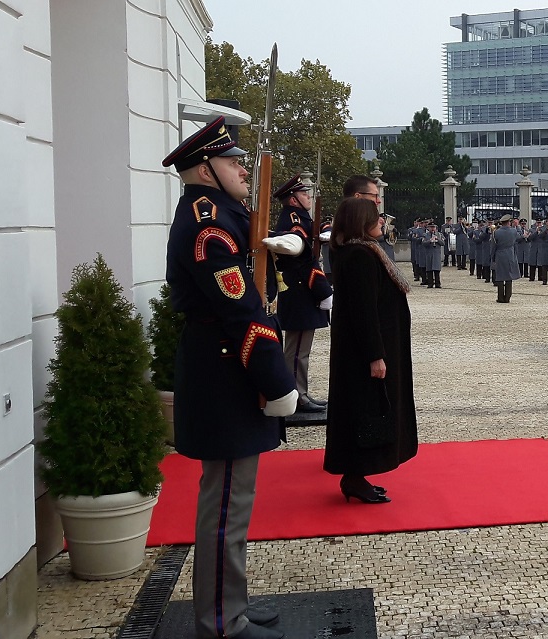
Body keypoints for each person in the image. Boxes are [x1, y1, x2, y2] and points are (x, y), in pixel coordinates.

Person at [163, 116, 293, 639]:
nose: (242, 168)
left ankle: (229, 601)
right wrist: (277, 378)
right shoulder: (208, 223)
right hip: (225, 370)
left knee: (234, 502)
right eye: (232, 161)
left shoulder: (222, 214)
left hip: (224, 366)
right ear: (205, 168)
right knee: (225, 505)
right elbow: (240, 309)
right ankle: (220, 621)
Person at [324, 197, 418, 503]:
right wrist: (375, 355)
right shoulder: (359, 256)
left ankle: (358, 476)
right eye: (375, 217)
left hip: (373, 347)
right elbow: (364, 313)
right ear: (359, 221)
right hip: (365, 353)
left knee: (368, 411)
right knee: (365, 412)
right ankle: (354, 475)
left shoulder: (362, 251)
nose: (381, 221)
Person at [268, 174, 333, 414]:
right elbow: (304, 261)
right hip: (300, 290)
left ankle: (300, 392)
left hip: (303, 291)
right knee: (296, 351)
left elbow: (315, 235)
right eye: (304, 194)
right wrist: (322, 289)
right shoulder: (293, 221)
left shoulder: (300, 217)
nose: (308, 197)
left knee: (301, 349)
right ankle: (296, 396)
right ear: (293, 199)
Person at [492, 214, 520, 302]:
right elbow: (519, 238)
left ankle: (500, 297)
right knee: (509, 276)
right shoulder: (513, 231)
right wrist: (517, 226)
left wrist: (493, 257)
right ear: (509, 222)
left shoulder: (496, 232)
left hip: (500, 255)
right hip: (510, 254)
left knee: (500, 276)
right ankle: (507, 297)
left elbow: (493, 246)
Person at [421, 221, 443, 288]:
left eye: (434, 227)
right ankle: (430, 283)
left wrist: (437, 239)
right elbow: (423, 243)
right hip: (429, 254)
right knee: (429, 269)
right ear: (428, 228)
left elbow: (443, 243)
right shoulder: (425, 235)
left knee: (437, 270)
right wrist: (430, 240)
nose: (433, 229)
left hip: (436, 254)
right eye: (431, 227)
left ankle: (437, 283)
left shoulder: (439, 234)